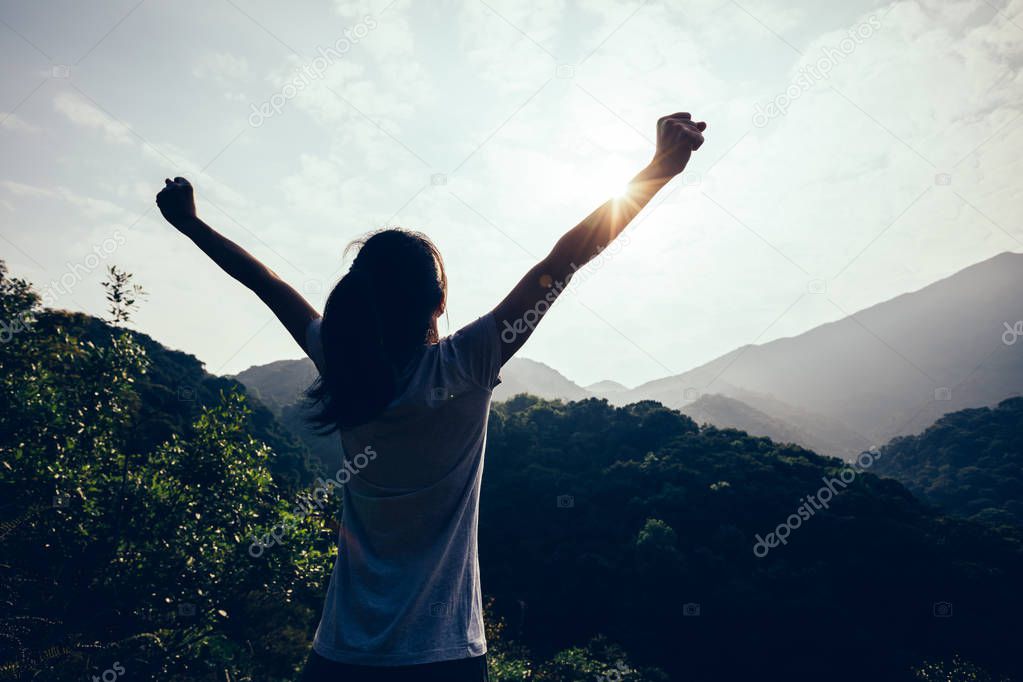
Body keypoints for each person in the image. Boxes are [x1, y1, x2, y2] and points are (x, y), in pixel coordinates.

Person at [155, 112, 706, 682]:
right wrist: (658, 169)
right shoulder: (468, 361)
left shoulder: (340, 363)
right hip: (445, 656)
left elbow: (266, 283)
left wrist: (192, 225)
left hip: (342, 655)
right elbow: (563, 261)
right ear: (438, 304)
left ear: (355, 300)